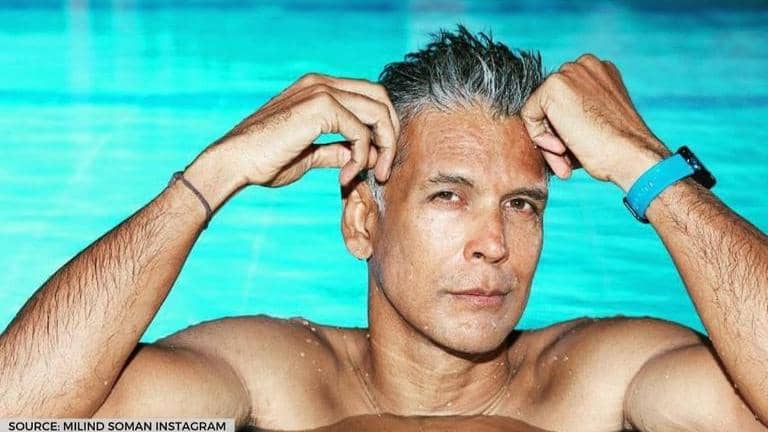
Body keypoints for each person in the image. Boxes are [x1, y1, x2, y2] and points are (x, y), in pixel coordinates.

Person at [1, 26, 766, 432]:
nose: (493, 244)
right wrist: (211, 176)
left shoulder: (603, 384)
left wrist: (648, 169)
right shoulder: (273, 383)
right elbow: (19, 417)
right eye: (448, 195)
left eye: (522, 205)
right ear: (364, 219)